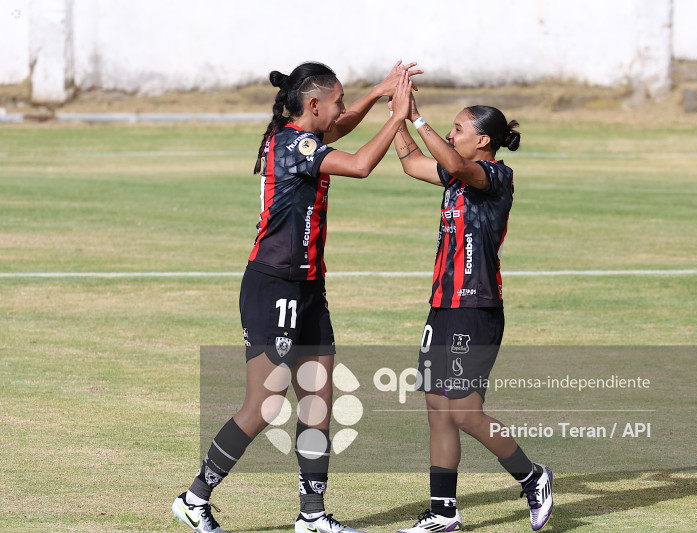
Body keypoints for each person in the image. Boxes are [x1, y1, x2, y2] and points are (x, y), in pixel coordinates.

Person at [172, 60, 419, 533]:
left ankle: (312, 516)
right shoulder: (292, 144)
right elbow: (362, 165)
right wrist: (396, 115)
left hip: (308, 286)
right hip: (274, 286)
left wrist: (376, 94)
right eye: (338, 101)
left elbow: (338, 126)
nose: (343, 110)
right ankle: (193, 497)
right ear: (313, 104)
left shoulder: (302, 135)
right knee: (263, 405)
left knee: (316, 402)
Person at [390, 96, 554, 532]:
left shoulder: (494, 175)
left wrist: (418, 118)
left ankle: (532, 477)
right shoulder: (455, 174)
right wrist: (398, 118)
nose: (450, 133)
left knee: (464, 411)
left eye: (458, 128)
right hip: (443, 307)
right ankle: (443, 513)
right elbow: (411, 163)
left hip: (476, 308)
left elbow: (460, 168)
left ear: (483, 140)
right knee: (437, 409)